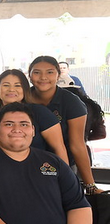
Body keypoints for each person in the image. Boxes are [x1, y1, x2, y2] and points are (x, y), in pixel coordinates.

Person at [28, 56, 99, 193]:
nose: (43, 77)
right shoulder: (22, 99)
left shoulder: (72, 102)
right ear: (29, 76)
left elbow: (77, 145)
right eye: (37, 72)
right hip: (27, 165)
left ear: (58, 75)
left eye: (50, 72)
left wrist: (90, 185)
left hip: (63, 164)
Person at [0, 69, 68, 163]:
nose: (11, 89)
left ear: (25, 89)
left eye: (17, 85)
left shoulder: (40, 112)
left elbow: (59, 148)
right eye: (6, 85)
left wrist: (65, 172)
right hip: (0, 168)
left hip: (39, 167)